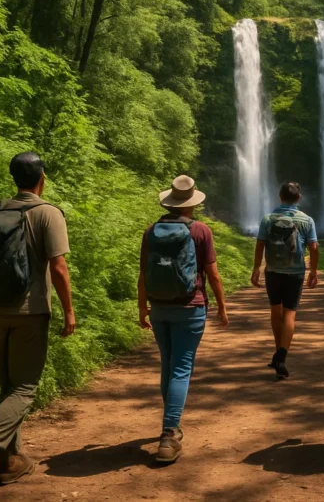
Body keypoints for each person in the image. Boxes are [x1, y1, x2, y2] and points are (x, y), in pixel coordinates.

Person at [0, 152, 75, 502]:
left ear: (14, 178)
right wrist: (69, 311)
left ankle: (11, 461)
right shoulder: (48, 213)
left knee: (8, 386)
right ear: (42, 178)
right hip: (29, 312)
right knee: (24, 388)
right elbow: (58, 268)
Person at [139, 175, 228, 463]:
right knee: (181, 368)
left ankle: (171, 423)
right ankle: (169, 433)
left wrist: (142, 307)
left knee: (168, 364)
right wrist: (222, 306)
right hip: (191, 307)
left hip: (159, 307)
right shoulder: (201, 231)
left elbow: (143, 274)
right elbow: (212, 274)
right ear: (192, 203)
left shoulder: (151, 231)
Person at [251, 181, 319, 379]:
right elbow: (314, 248)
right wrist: (314, 271)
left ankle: (278, 352)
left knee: (275, 311)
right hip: (295, 272)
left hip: (273, 271)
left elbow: (260, 244)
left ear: (280, 197)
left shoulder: (268, 219)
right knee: (289, 313)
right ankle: (281, 355)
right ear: (298, 198)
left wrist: (256, 268)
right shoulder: (306, 220)